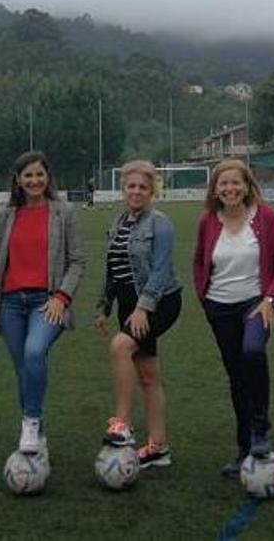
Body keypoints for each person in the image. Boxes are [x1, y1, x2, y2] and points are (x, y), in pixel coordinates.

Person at [0, 151, 86, 456]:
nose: (34, 180)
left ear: (48, 177)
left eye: (39, 174)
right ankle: (36, 433)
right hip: (11, 303)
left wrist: (61, 297)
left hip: (47, 301)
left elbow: (78, 261)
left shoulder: (63, 211)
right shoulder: (7, 214)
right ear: (18, 180)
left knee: (34, 351)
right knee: (24, 370)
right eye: (27, 175)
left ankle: (30, 421)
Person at [192, 159, 274, 478]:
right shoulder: (208, 221)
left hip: (255, 304)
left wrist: (270, 300)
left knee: (252, 352)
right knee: (236, 377)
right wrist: (205, 299)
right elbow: (198, 264)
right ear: (215, 189)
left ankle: (260, 430)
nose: (230, 189)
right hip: (219, 308)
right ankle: (244, 448)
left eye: (236, 183)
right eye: (224, 184)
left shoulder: (265, 218)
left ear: (247, 186)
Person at [93, 160, 182, 469]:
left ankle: (122, 425)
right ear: (123, 189)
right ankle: (158, 447)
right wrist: (104, 306)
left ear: (152, 190)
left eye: (143, 187)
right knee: (147, 375)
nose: (136, 191)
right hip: (128, 305)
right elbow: (113, 271)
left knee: (120, 347)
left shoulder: (160, 223)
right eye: (131, 186)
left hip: (160, 302)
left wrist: (144, 308)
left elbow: (160, 271)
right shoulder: (116, 223)